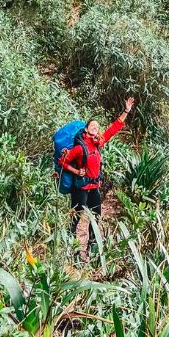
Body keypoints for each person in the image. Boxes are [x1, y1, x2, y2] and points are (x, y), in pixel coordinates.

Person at [58, 96, 135, 250]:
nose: (96, 128)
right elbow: (62, 161)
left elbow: (114, 128)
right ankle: (70, 251)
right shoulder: (79, 148)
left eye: (97, 127)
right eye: (93, 126)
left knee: (96, 217)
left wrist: (126, 111)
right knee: (75, 218)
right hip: (80, 189)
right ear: (86, 129)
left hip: (94, 188)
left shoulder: (98, 143)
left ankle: (91, 248)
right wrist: (76, 171)